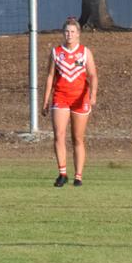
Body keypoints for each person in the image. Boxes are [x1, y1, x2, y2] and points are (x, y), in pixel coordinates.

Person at [41, 17, 98, 187]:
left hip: (80, 98)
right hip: (61, 97)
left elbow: (93, 75)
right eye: (66, 31)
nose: (69, 34)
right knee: (59, 135)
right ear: (63, 33)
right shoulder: (56, 52)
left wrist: (92, 95)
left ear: (78, 34)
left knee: (77, 138)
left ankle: (78, 176)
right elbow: (50, 76)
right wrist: (45, 101)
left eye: (72, 31)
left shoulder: (85, 52)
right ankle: (62, 173)